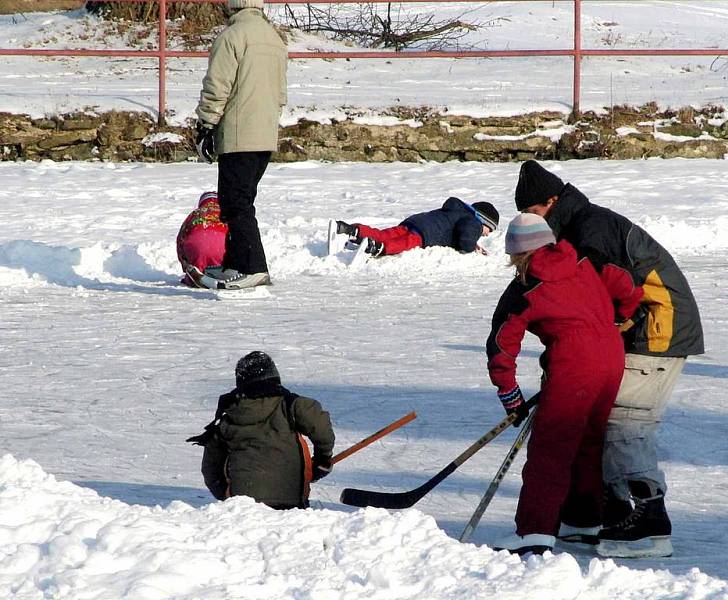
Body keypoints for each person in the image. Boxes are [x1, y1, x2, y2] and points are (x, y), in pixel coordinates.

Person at [514, 160, 704, 558]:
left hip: (658, 328)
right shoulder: (577, 226)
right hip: (641, 330)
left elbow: (607, 294)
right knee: (601, 421)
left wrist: (583, 349)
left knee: (624, 423)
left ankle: (649, 521)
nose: (532, 224)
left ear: (551, 201)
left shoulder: (590, 229)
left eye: (533, 213)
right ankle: (604, 513)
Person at [488, 214, 639, 556]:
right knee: (588, 442)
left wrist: (510, 395)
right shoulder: (585, 259)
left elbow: (501, 343)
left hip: (574, 363)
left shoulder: (525, 287)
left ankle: (534, 531)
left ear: (517, 253)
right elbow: (627, 286)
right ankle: (584, 521)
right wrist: (617, 317)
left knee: (550, 449)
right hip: (612, 356)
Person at [194, 0, 288, 290]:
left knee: (236, 203)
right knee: (238, 199)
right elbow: (280, 93)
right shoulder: (274, 39)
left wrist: (205, 125)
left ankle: (255, 267)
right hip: (265, 133)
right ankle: (235, 264)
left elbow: (217, 84)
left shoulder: (232, 37)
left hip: (238, 133)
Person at [187, 351, 335, 509]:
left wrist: (229, 497)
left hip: (244, 507)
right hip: (291, 501)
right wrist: (323, 458)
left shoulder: (228, 417)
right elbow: (320, 428)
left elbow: (211, 470)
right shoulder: (291, 406)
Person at [328, 198, 499, 257]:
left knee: (385, 233)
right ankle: (378, 248)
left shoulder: (457, 210)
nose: (486, 234)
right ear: (483, 221)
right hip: (426, 234)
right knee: (403, 243)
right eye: (488, 230)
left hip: (415, 222)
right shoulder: (474, 222)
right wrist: (470, 249)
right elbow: (466, 238)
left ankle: (351, 229)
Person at [176, 191, 228, 287]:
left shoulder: (195, 214)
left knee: (199, 250)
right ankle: (222, 274)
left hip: (197, 247)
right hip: (222, 249)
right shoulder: (226, 213)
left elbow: (180, 240)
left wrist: (185, 265)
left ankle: (197, 275)